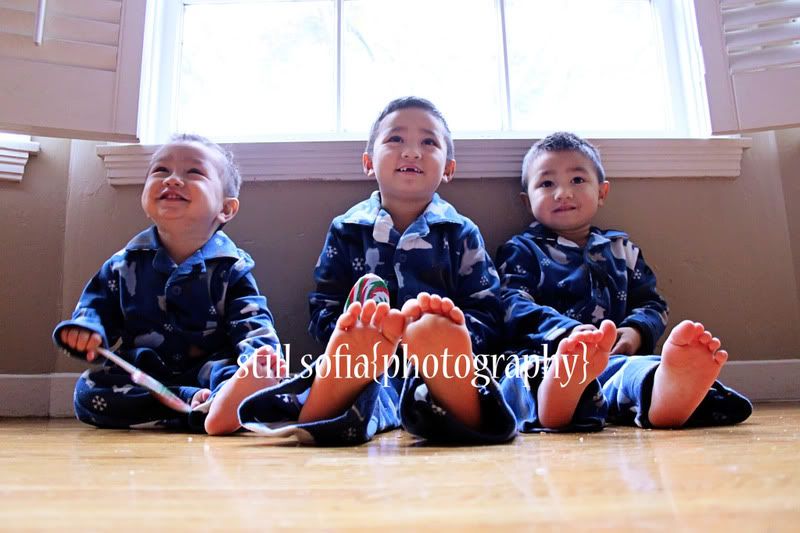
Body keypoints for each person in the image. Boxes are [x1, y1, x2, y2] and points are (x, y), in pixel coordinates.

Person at [238, 97, 517, 445]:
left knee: (463, 382)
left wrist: (449, 334)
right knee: (363, 388)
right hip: (367, 366)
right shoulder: (347, 230)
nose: (412, 152)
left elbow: (487, 310)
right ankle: (331, 397)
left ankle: (455, 394)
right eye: (395, 139)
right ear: (369, 162)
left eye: (429, 142)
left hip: (436, 365)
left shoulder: (460, 233)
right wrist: (351, 332)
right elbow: (324, 304)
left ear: (448, 169)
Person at [497, 132, 752, 431]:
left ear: (602, 192)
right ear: (527, 201)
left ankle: (664, 397)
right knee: (521, 375)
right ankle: (556, 400)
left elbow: (651, 303)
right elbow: (512, 304)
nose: (563, 193)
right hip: (543, 356)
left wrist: (635, 332)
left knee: (637, 371)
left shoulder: (621, 250)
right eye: (546, 184)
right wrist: (569, 333)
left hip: (610, 360)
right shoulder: (521, 250)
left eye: (577, 180)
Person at [53, 134, 284, 435]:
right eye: (161, 170)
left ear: (225, 209)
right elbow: (97, 306)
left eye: (194, 172)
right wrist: (87, 331)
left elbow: (252, 322)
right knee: (88, 392)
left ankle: (222, 401)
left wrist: (260, 361)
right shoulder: (124, 264)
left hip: (210, 369)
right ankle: (196, 407)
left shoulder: (232, 269)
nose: (172, 179)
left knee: (252, 387)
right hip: (145, 373)